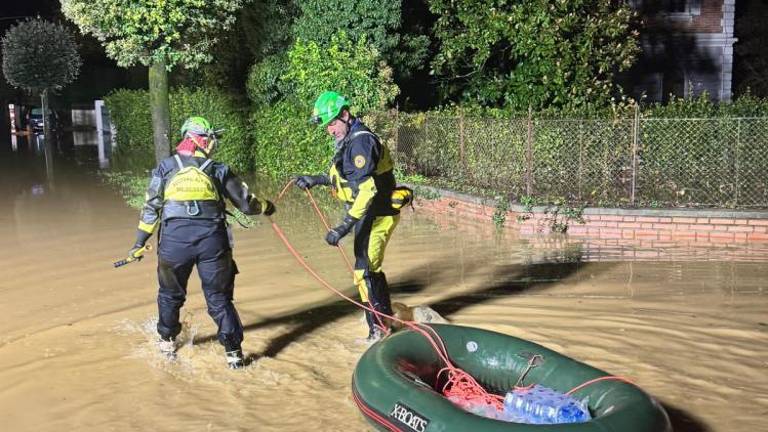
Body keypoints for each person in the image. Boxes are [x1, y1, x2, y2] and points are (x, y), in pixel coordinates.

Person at [126, 116, 275, 369]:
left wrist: (139, 243)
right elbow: (247, 204)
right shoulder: (218, 169)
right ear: (199, 140)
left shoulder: (165, 167)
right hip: (212, 242)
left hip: (174, 243)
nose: (214, 144)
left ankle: (167, 343)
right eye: (211, 139)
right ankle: (234, 355)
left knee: (170, 294)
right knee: (218, 298)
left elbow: (151, 208)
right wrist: (267, 207)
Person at [296, 91, 405, 341]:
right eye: (327, 125)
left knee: (364, 271)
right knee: (368, 269)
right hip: (368, 214)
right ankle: (384, 319)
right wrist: (318, 180)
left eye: (332, 123)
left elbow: (367, 190)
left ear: (345, 115)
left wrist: (342, 227)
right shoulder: (349, 139)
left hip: (377, 213)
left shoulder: (361, 142)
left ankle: (378, 332)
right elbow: (347, 178)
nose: (330, 130)